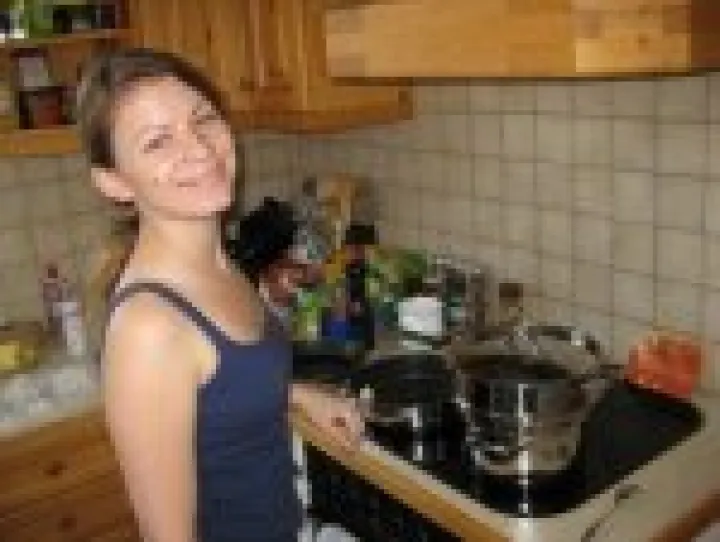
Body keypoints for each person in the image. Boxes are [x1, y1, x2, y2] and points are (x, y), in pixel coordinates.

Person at [76, 48, 364, 542]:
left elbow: (218, 390)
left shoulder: (217, 263)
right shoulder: (150, 329)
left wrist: (297, 394)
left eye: (203, 118)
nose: (199, 149)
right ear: (114, 182)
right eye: (157, 141)